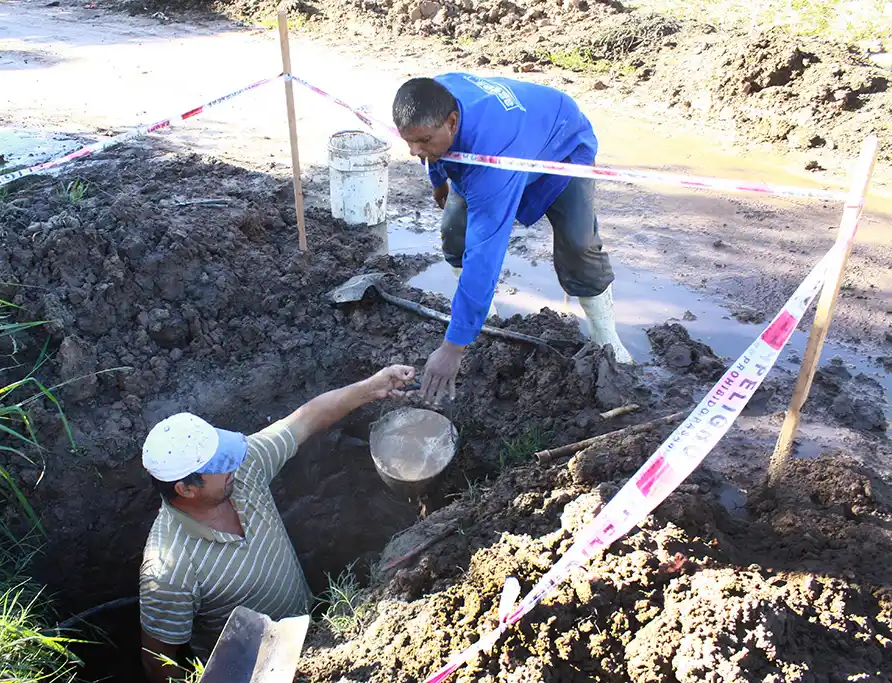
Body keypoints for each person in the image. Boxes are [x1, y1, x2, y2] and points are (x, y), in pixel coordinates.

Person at [138, 365, 416, 683]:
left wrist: (373, 386)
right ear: (186, 489)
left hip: (316, 637)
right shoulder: (168, 571)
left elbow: (305, 420)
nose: (233, 465)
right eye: (221, 465)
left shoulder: (243, 471)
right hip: (256, 673)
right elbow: (158, 662)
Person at [392, 73, 634, 403]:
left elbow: (485, 256)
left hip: (559, 147)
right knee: (454, 232)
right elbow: (428, 152)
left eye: (422, 142)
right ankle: (486, 321)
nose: (413, 152)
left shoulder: (493, 155)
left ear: (452, 122)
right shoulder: (434, 98)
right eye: (409, 141)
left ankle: (607, 339)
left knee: (578, 248)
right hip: (487, 150)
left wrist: (452, 347)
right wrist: (438, 180)